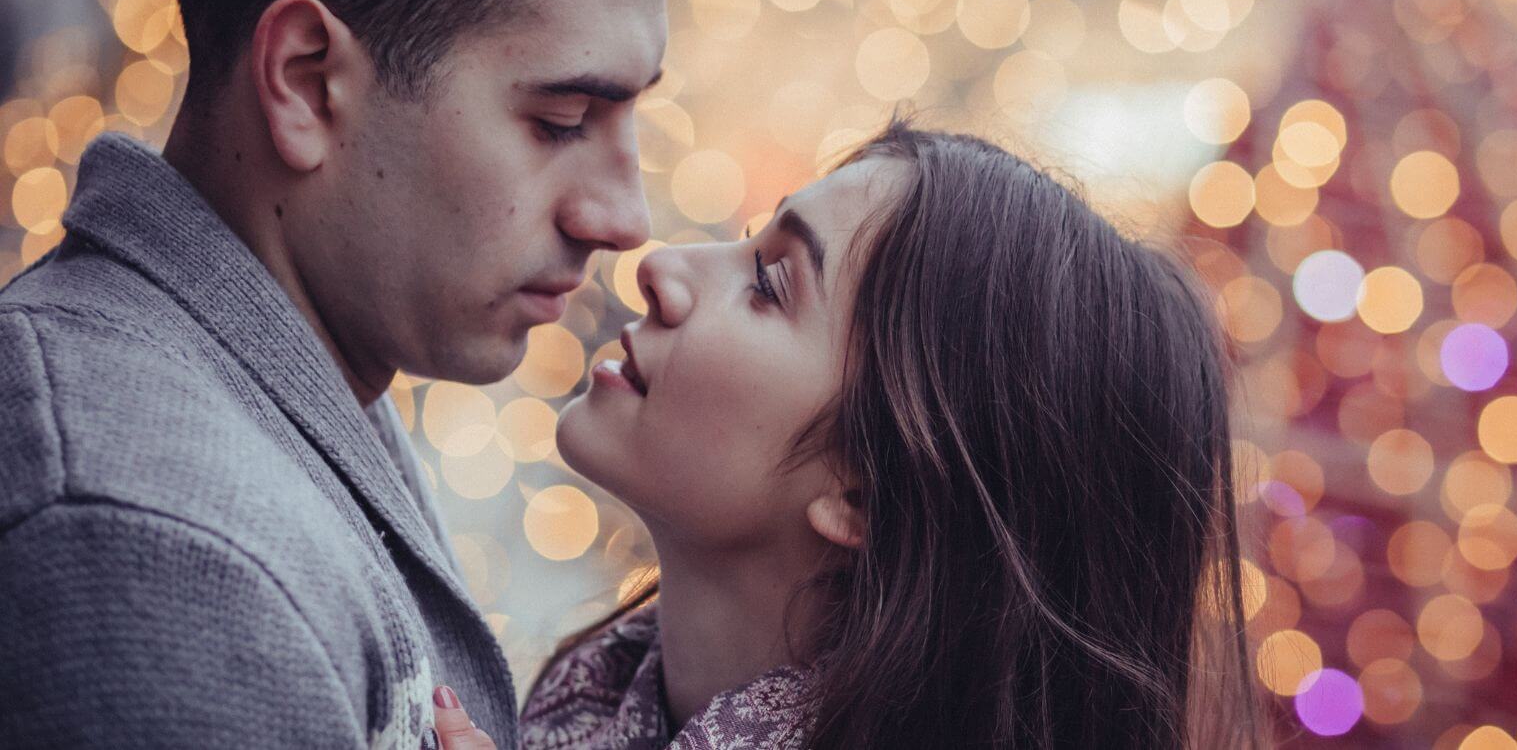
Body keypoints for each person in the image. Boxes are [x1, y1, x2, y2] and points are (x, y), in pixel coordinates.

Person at [0, 0, 679, 745]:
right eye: (561, 122)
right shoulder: (153, 552)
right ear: (306, 81)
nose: (624, 218)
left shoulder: (284, 390)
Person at [427, 120, 1267, 749]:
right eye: (750, 244)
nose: (662, 265)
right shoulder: (583, 702)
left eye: (767, 283)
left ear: (865, 494)